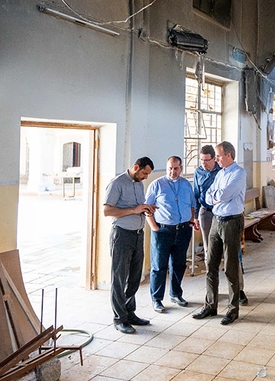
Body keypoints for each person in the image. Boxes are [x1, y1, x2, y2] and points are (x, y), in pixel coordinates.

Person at [193, 141, 246, 325]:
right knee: (210, 264)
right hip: (216, 220)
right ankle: (210, 305)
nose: (216, 159)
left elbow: (224, 195)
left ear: (229, 155)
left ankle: (233, 309)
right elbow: (208, 195)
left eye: (218, 156)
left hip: (231, 221)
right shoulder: (221, 173)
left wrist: (217, 196)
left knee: (230, 266)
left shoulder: (239, 173)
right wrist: (217, 196)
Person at [103, 157, 155, 334]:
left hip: (138, 235)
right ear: (135, 167)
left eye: (148, 174)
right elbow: (107, 210)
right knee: (119, 277)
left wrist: (146, 208)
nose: (146, 177)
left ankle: (129, 312)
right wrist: (134, 210)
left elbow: (137, 206)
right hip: (122, 235)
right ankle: (119, 318)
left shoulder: (139, 184)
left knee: (134, 277)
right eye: (144, 173)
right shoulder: (117, 183)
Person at [144, 156, 194, 313]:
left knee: (179, 264)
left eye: (176, 168)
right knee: (159, 266)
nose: (173, 171)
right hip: (163, 231)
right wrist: (154, 228)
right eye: (170, 168)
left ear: (181, 168)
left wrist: (191, 220)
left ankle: (176, 294)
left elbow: (192, 205)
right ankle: (157, 299)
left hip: (183, 230)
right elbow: (147, 208)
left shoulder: (186, 184)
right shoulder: (157, 185)